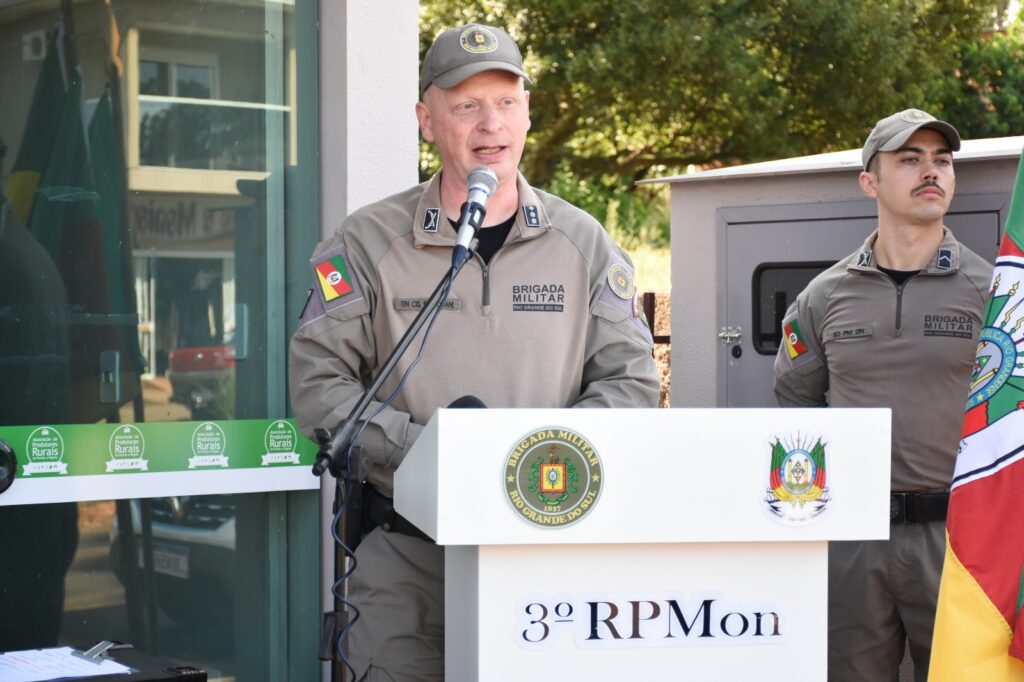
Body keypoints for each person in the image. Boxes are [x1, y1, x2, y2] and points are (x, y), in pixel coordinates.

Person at [289, 23, 659, 681]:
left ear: (527, 111)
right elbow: (321, 387)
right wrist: (436, 460)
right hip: (405, 558)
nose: (491, 123)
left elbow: (630, 385)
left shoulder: (585, 243)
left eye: (507, 102)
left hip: (547, 553)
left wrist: (534, 466)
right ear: (425, 119)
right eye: (466, 105)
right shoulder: (369, 241)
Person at [773, 109, 992, 680]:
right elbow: (796, 406)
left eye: (942, 161)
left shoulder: (993, 293)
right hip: (852, 541)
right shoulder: (825, 295)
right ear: (869, 181)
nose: (931, 172)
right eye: (910, 160)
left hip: (959, 544)